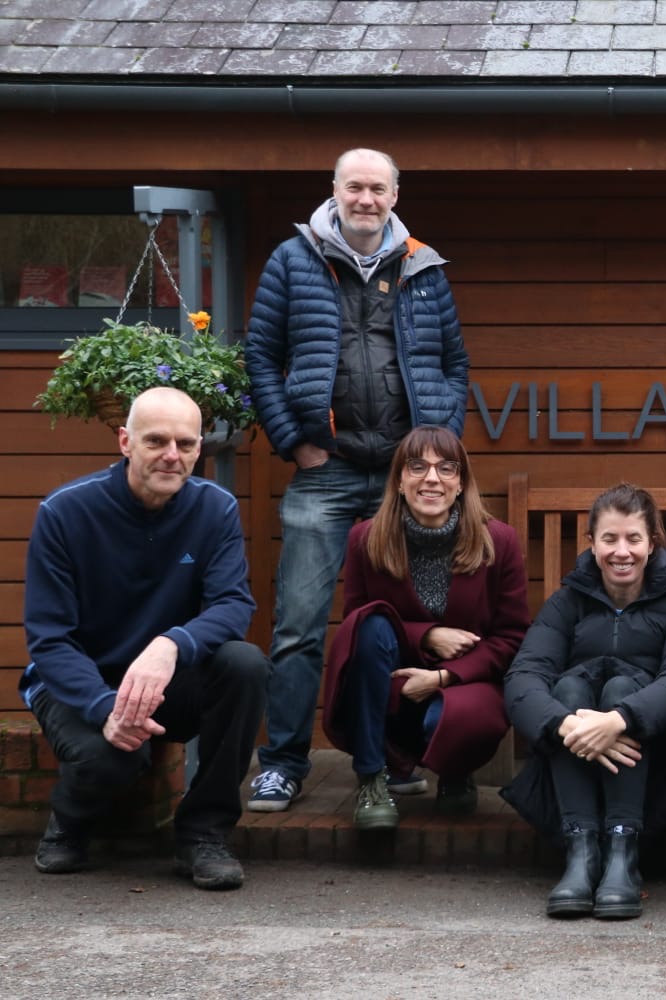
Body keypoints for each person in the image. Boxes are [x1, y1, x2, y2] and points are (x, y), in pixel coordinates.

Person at [245, 147, 469, 812]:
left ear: (395, 195)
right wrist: (293, 442)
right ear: (335, 191)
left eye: (377, 188)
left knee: (409, 623)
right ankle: (284, 762)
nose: (365, 199)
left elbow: (454, 364)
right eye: (354, 187)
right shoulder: (294, 260)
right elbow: (260, 355)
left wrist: (436, 447)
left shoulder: (423, 268)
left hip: (403, 479)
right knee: (300, 626)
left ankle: (398, 756)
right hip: (327, 470)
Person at [21, 387, 269, 890]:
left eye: (186, 443)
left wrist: (171, 644)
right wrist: (103, 706)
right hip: (78, 682)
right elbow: (49, 639)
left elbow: (232, 604)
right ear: (125, 441)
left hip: (163, 678)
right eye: (156, 440)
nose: (172, 456)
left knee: (245, 666)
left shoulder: (214, 509)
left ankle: (204, 834)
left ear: (201, 447)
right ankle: (68, 821)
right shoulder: (64, 513)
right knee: (113, 755)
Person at [503, 484, 666, 920]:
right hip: (569, 762)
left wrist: (619, 720)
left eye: (634, 539)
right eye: (610, 539)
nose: (622, 551)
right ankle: (580, 853)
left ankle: (623, 853)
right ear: (592, 544)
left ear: (652, 542)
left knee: (622, 690)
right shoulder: (567, 602)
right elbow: (523, 677)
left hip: (655, 767)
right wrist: (568, 726)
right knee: (568, 693)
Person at [319, 426, 529, 830]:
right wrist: (428, 635)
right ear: (399, 480)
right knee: (369, 627)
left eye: (446, 469)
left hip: (467, 682)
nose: (432, 479)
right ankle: (371, 779)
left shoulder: (498, 541)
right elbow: (358, 623)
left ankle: (456, 770)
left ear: (461, 483)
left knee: (464, 717)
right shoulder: (365, 539)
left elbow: (513, 637)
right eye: (417, 467)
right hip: (392, 680)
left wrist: (442, 677)